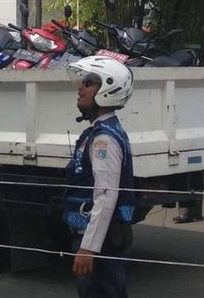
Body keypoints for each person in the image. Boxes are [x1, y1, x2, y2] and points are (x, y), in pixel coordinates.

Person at [64, 56, 136, 298]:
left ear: (108, 88)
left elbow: (105, 196)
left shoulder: (104, 138)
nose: (81, 87)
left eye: (90, 82)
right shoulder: (100, 131)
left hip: (103, 242)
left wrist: (88, 248)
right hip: (102, 239)